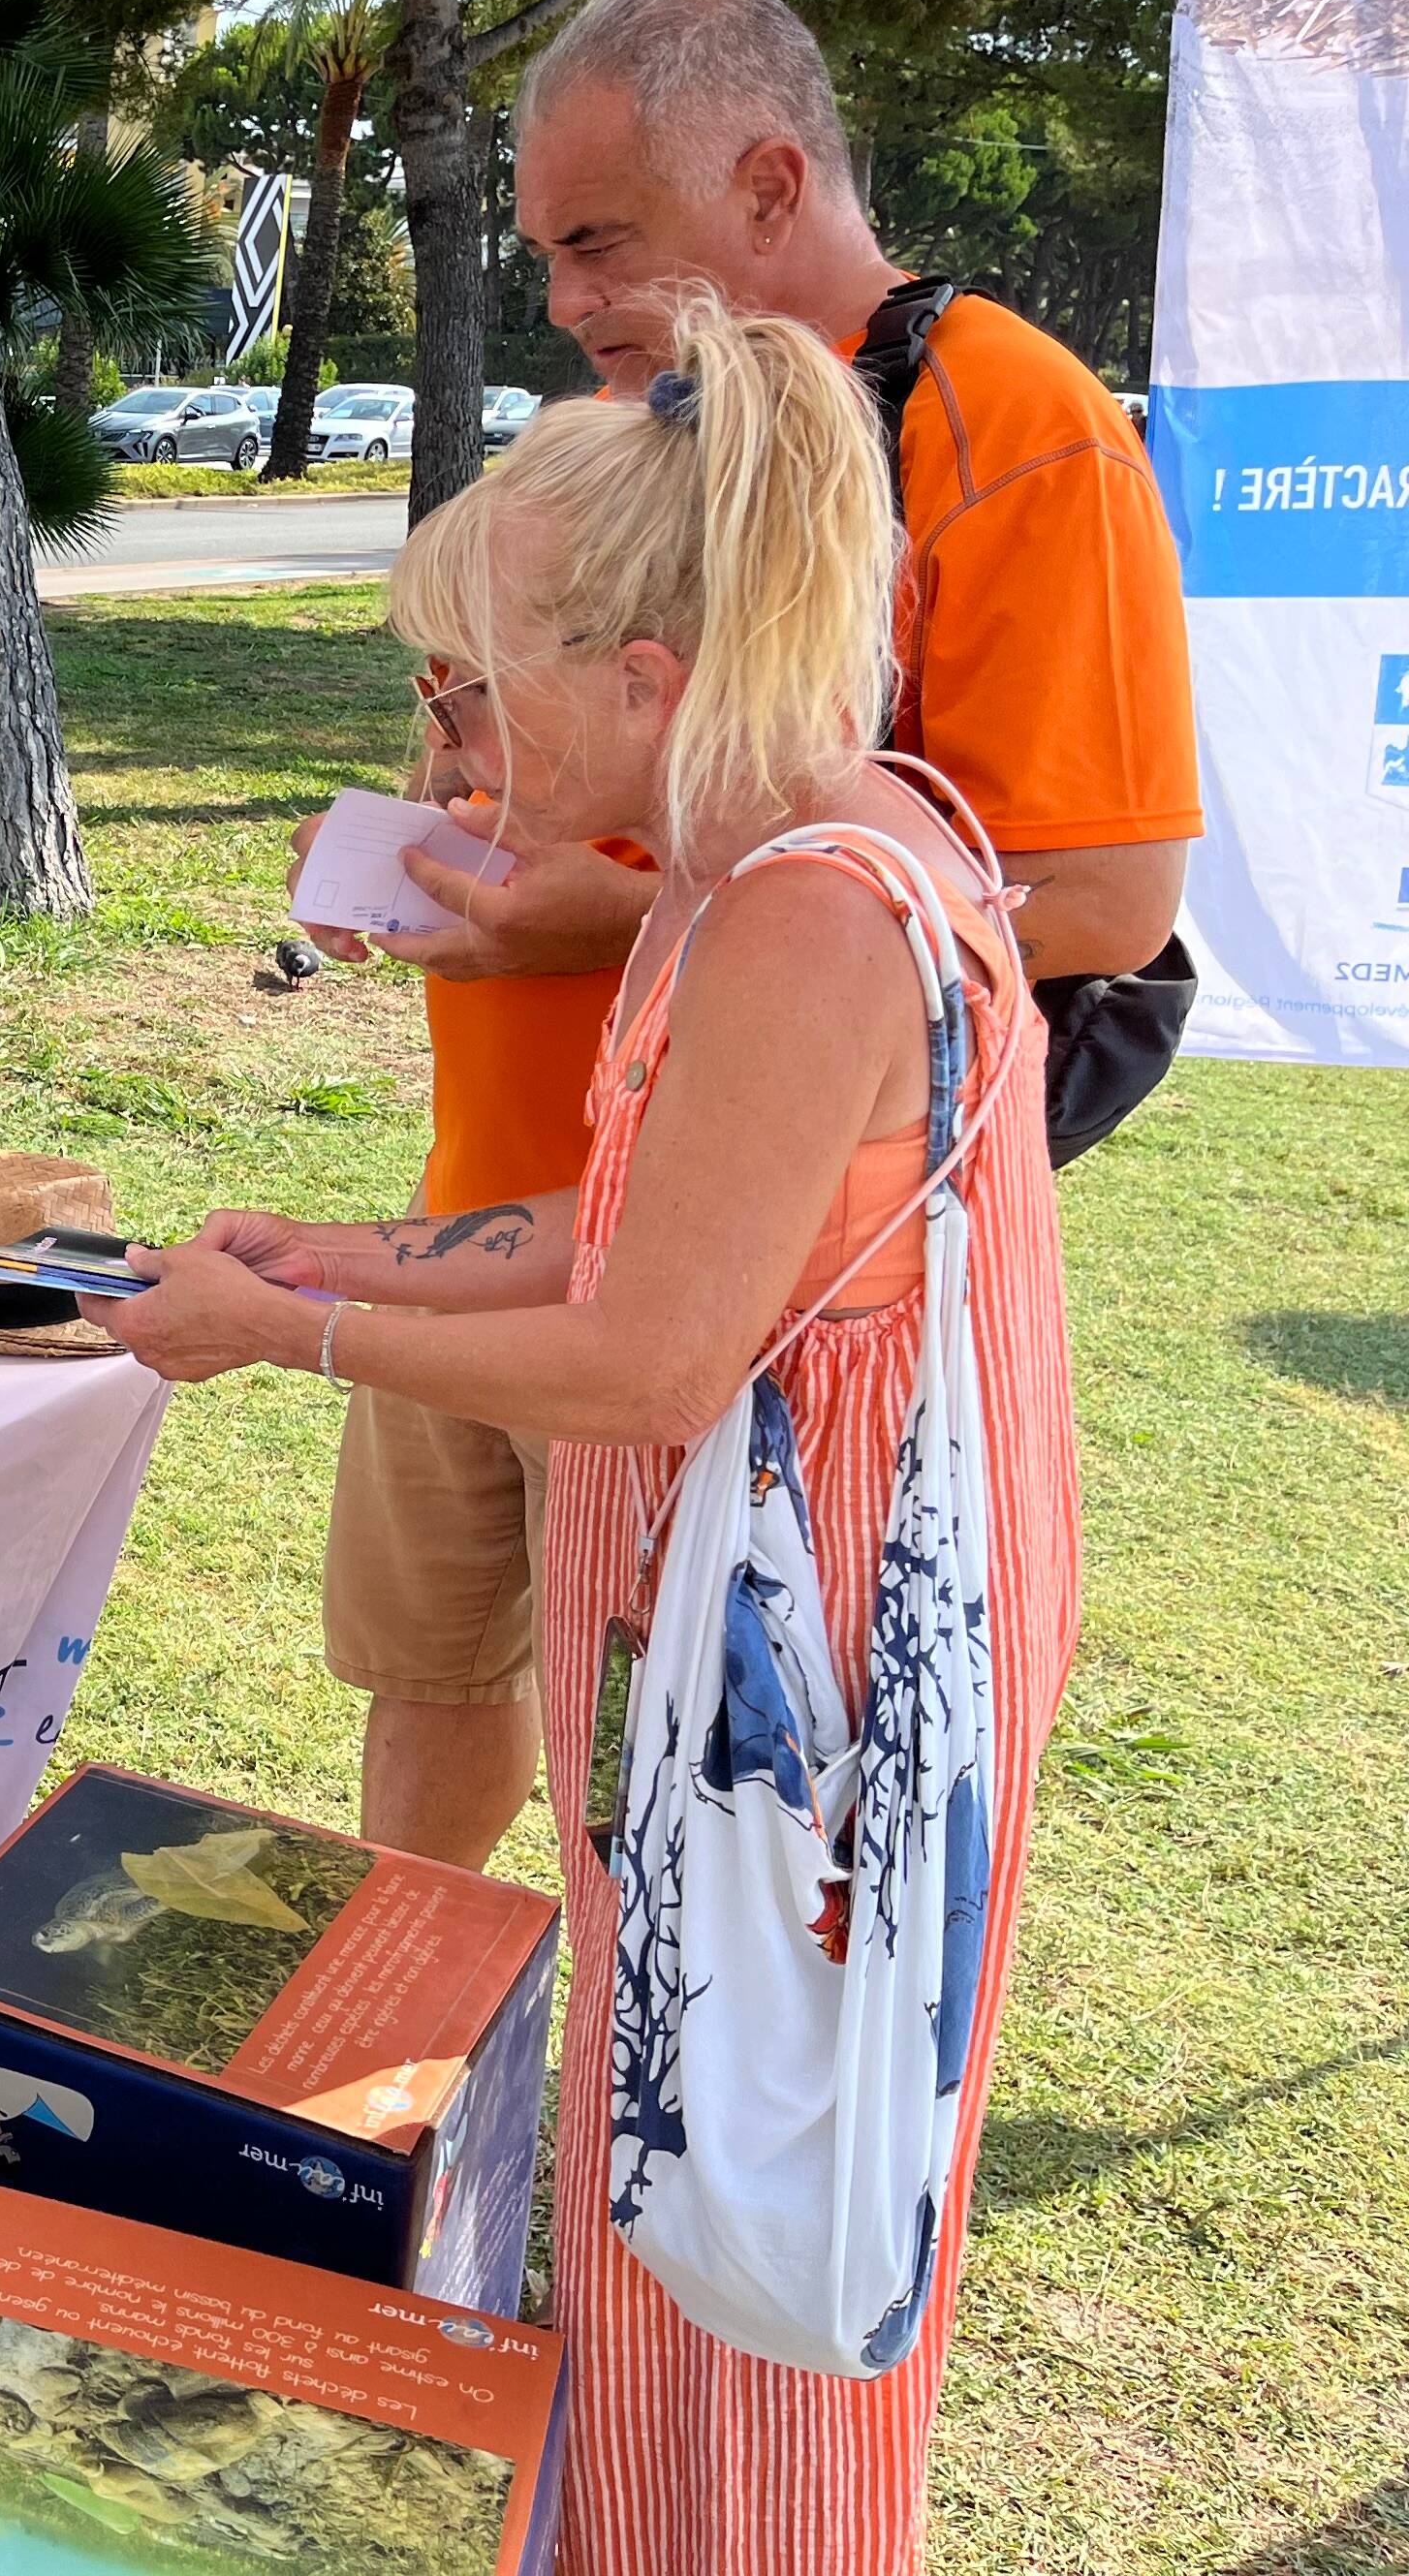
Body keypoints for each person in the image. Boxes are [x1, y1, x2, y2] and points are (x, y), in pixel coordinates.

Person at [107, 295, 1076, 2576]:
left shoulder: (805, 908)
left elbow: (649, 1353)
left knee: (752, 2213)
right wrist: (350, 1247)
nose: (447, 749)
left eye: (473, 690)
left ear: (643, 677)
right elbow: (646, 1218)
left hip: (807, 1687)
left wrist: (295, 1337)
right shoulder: (750, 859)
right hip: (752, 1652)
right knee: (687, 2177)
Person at [293, 0, 1192, 1870]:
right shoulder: (635, 429)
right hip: (504, 1191)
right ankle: (406, 2029)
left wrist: (587, 923)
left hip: (722, 1285)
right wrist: (450, 824)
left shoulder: (1005, 420)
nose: (563, 301)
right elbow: (570, 760)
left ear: (769, 184)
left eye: (598, 241)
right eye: (545, 251)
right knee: (445, 1680)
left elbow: (1102, 890)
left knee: (676, 1815)